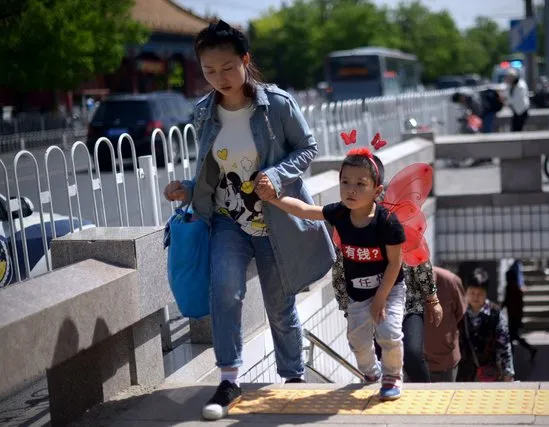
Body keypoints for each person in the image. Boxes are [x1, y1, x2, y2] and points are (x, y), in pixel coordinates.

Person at [163, 20, 335, 420]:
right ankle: (228, 379)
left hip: (275, 220)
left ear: (245, 60)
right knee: (224, 290)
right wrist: (188, 189)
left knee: (280, 303)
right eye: (208, 71)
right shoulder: (203, 112)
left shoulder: (276, 104)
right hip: (226, 220)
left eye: (226, 67)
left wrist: (275, 175)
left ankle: (292, 378)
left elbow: (307, 147)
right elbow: (213, 170)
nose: (218, 78)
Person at [265, 148, 407, 400]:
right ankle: (370, 372)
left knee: (389, 332)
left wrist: (381, 298)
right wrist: (274, 198)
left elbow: (395, 263)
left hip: (389, 289)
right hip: (358, 293)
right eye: (345, 182)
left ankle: (392, 376)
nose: (351, 189)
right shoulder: (340, 213)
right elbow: (306, 211)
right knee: (357, 341)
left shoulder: (388, 223)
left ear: (377, 190)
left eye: (360, 184)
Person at [333, 254, 443, 383]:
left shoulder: (401, 235)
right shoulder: (350, 238)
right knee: (381, 357)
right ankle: (383, 390)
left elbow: (420, 260)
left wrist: (432, 299)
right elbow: (339, 275)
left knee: (412, 353)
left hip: (409, 303)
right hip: (370, 309)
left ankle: (424, 394)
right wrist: (350, 312)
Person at [457, 268, 515, 382]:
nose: (475, 297)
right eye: (472, 292)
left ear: (486, 293)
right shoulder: (459, 313)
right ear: (466, 292)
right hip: (464, 373)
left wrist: (508, 372)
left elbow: (504, 345)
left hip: (491, 372)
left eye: (480, 293)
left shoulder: (496, 313)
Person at [425, 266, 466, 382]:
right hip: (416, 360)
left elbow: (460, 313)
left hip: (446, 360)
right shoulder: (407, 283)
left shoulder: (451, 281)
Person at [503, 260, 537, 360]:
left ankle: (513, 355)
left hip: (514, 316)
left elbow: (512, 303)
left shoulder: (513, 288)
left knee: (512, 336)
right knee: (513, 336)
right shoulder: (513, 288)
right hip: (514, 316)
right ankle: (529, 349)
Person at [505, 68, 529, 132]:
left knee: (518, 129)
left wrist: (507, 102)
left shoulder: (521, 85)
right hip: (516, 111)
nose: (508, 78)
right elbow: (507, 95)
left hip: (522, 110)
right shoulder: (511, 85)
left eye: (509, 77)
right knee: (514, 129)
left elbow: (516, 99)